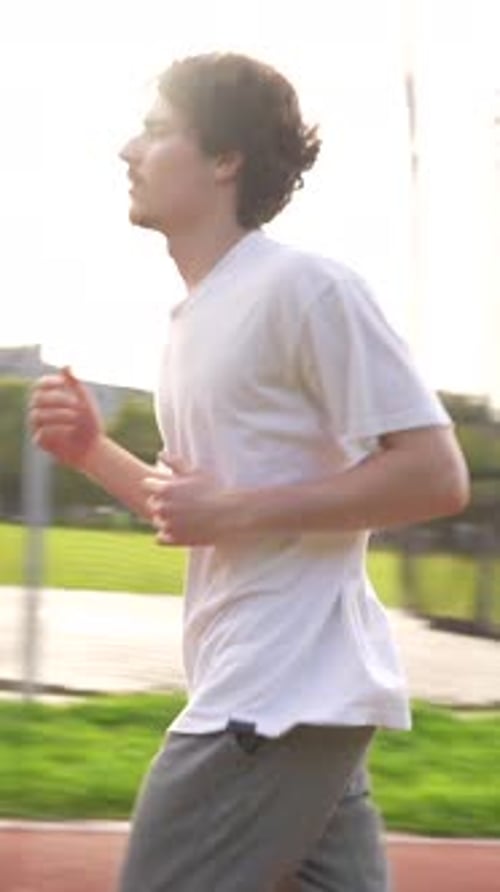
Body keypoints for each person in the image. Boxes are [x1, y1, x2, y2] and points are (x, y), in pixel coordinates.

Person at [30, 53, 469, 892]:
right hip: (291, 697)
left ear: (225, 158)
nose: (129, 149)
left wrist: (233, 509)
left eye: (156, 131)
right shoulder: (192, 321)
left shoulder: (307, 290)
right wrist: (93, 453)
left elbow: (432, 475)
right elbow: (192, 512)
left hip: (275, 694)